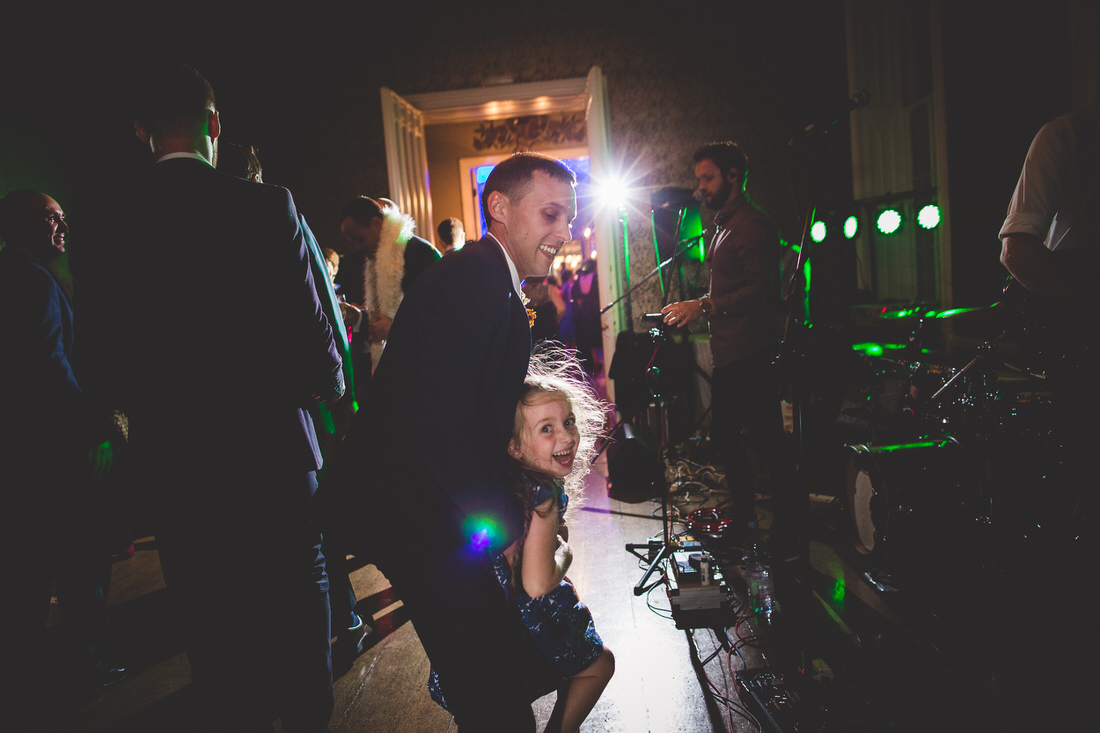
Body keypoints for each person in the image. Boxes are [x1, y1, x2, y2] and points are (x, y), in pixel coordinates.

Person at [122, 62, 343, 732]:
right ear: (214, 126)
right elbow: (313, 331)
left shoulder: (115, 225)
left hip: (176, 457)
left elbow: (107, 351)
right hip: (272, 446)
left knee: (208, 608)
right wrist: (328, 388)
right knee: (298, 597)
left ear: (142, 133)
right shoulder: (264, 204)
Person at [327, 152, 578, 729]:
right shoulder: (472, 279)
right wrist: (507, 529)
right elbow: (441, 428)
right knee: (491, 692)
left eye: (569, 217)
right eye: (551, 214)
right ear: (500, 208)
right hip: (413, 513)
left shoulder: (490, 278)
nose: (565, 232)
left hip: (430, 508)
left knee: (488, 680)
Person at [217, 143, 370, 660]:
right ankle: (342, 621)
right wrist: (337, 387)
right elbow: (318, 305)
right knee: (309, 525)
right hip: (298, 404)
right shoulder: (273, 213)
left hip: (257, 412)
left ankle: (329, 623)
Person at [428, 346, 615, 733]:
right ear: (513, 447)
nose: (565, 436)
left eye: (568, 421)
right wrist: (563, 554)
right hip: (521, 633)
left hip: (473, 630)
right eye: (546, 429)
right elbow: (537, 582)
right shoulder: (541, 497)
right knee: (599, 665)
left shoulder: (502, 487)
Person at [0, 190, 123, 721]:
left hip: (20, 454)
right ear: (21, 224)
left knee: (26, 574)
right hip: (52, 454)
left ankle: (20, 680)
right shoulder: (33, 280)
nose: (63, 225)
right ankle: (87, 672)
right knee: (80, 567)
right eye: (51, 218)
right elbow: (50, 367)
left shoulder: (13, 272)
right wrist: (98, 429)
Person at [660, 142, 793, 548]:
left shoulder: (751, 224)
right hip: (731, 353)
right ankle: (749, 521)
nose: (700, 188)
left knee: (765, 441)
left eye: (707, 178)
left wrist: (704, 304)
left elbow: (763, 291)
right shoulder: (724, 224)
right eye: (699, 179)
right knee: (731, 439)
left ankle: (785, 527)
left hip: (751, 352)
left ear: (733, 176)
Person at [336, 196, 440, 398]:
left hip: (425, 383)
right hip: (398, 380)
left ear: (376, 223)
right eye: (352, 242)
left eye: (359, 239)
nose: (357, 248)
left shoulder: (420, 253)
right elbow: (389, 316)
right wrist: (359, 318)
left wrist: (394, 330)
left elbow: (443, 322)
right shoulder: (378, 260)